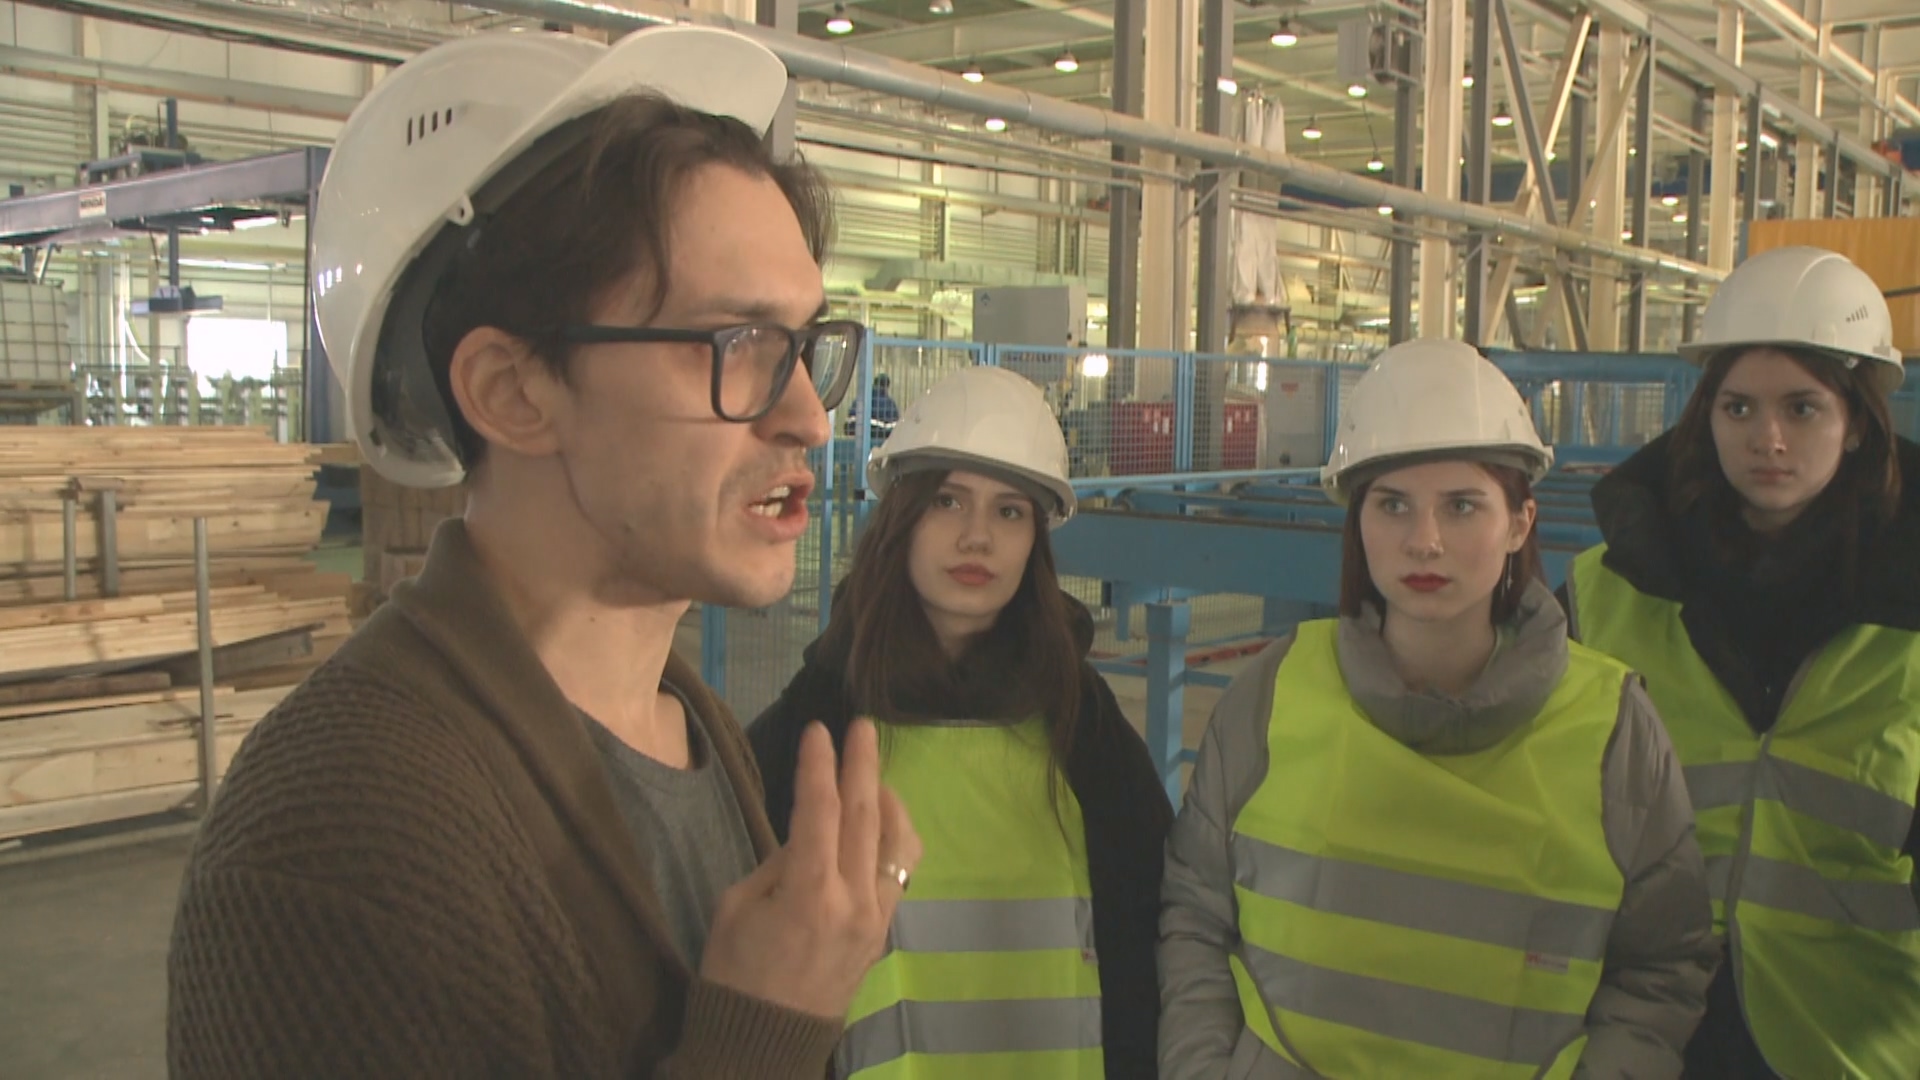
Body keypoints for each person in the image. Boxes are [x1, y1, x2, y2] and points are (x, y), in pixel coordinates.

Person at [165, 26, 922, 1077]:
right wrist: (763, 1032)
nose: (808, 417)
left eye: (802, 347)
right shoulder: (339, 844)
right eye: (737, 346)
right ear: (513, 393)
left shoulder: (686, 725)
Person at [1159, 339, 1718, 1079]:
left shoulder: (1612, 729)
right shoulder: (1273, 693)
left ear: (1519, 523)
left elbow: (1660, 964)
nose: (1424, 542)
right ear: (1358, 521)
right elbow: (1197, 913)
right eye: (1393, 505)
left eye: (1461, 506)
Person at [750, 364, 1173, 1078]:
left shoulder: (1080, 722)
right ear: (902, 518)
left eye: (1009, 512)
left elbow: (1148, 926)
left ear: (1034, 541)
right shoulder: (821, 717)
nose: (977, 538)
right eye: (948, 501)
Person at [1561, 245, 1920, 1079]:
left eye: (1803, 408)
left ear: (1857, 423)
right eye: (1739, 407)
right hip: (1647, 1030)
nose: (1769, 439)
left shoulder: (1907, 608)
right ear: (1708, 416)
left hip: (1853, 1042)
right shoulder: (1610, 588)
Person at [845, 370, 901, 437]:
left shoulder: (860, 400)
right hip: (880, 437)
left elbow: (848, 425)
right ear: (887, 387)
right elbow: (895, 429)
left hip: (857, 434)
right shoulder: (890, 404)